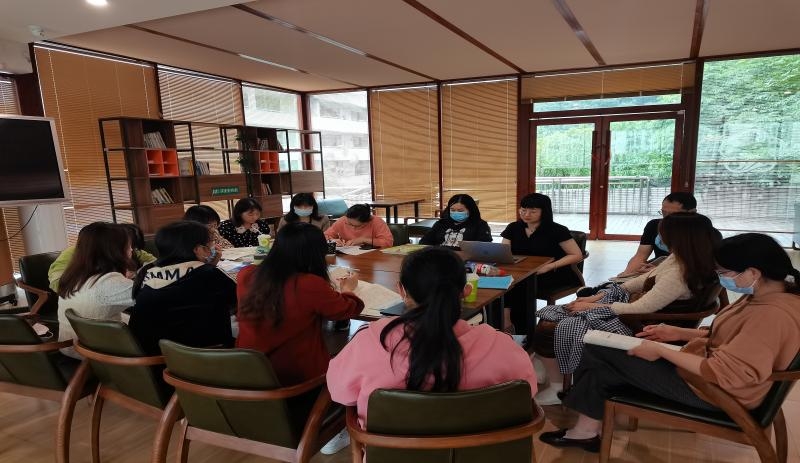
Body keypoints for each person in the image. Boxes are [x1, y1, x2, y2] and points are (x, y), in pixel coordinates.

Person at [539, 233, 800, 453]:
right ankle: (585, 431)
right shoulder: (769, 295)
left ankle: (581, 421)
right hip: (706, 374)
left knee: (598, 350)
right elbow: (729, 338)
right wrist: (679, 333)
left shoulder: (771, 315)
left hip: (715, 392)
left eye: (723, 272)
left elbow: (725, 372)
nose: (721, 278)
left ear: (753, 272)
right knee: (604, 361)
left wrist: (661, 351)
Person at [327, 247, 537, 454]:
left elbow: (339, 392)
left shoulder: (370, 341)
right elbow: (527, 392)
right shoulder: (500, 346)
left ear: (401, 290)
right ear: (465, 291)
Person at [534, 212, 719, 404]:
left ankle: (557, 387)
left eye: (662, 234)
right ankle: (545, 366)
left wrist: (590, 306)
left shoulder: (678, 275)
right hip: (642, 314)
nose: (659, 239)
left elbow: (641, 308)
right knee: (559, 312)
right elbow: (642, 280)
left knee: (548, 328)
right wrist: (598, 296)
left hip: (640, 325)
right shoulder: (683, 258)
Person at [237, 222, 364, 386]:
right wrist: (348, 289)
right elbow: (348, 309)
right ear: (315, 253)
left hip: (248, 371)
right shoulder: (309, 284)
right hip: (298, 378)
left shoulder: (246, 275)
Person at [128, 221, 236, 355]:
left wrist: (209, 266)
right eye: (210, 243)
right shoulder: (209, 275)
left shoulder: (147, 273)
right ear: (197, 249)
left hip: (151, 358)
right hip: (201, 358)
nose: (212, 247)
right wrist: (210, 267)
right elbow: (239, 301)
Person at [500, 193, 584, 334]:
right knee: (498, 283)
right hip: (523, 271)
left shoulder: (557, 230)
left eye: (533, 211)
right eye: (523, 210)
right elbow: (504, 251)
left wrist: (550, 266)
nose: (527, 214)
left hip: (553, 273)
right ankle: (504, 322)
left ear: (544, 212)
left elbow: (576, 255)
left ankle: (522, 331)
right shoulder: (513, 227)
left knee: (519, 286)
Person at [56, 222, 136, 359]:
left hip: (71, 348)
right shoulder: (109, 282)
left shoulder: (73, 277)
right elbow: (153, 297)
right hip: (101, 356)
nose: (132, 249)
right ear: (114, 250)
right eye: (128, 245)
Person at [49, 222, 156, 291]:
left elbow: (157, 264)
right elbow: (58, 283)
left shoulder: (133, 250)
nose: (131, 250)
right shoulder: (73, 253)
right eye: (128, 246)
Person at [619, 192, 697, 277]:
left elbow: (699, 266)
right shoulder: (654, 225)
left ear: (692, 212)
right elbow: (640, 256)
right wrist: (625, 276)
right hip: (656, 269)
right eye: (663, 213)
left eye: (673, 215)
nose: (666, 219)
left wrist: (660, 271)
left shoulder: (702, 232)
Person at [419, 194, 492, 248]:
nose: (456, 212)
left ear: (470, 210)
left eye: (460, 210)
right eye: (452, 210)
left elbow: (484, 248)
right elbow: (424, 242)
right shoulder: (441, 223)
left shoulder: (480, 225)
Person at [324, 204, 393, 249]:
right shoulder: (343, 220)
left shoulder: (376, 222)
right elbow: (325, 236)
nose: (353, 228)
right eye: (349, 223)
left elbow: (388, 242)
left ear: (366, 222)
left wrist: (364, 240)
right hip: (347, 257)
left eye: (356, 226)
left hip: (373, 257)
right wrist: (332, 241)